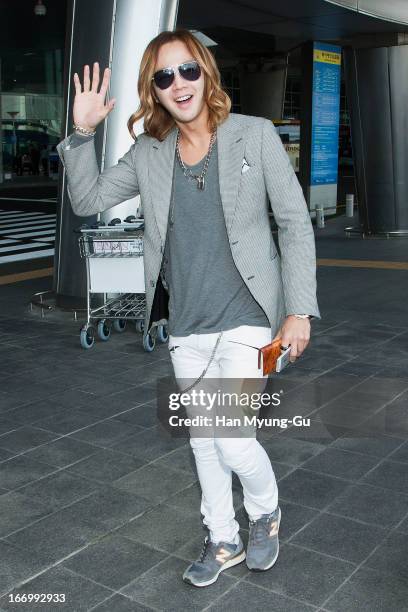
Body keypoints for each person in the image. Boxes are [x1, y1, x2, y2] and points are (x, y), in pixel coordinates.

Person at [56, 29, 320, 588]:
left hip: (248, 318)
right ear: (154, 91)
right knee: (202, 440)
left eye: (187, 70)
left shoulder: (255, 136)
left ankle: (266, 510)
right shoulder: (150, 153)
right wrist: (81, 134)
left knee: (231, 437)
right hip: (186, 325)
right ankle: (222, 536)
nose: (179, 84)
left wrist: (299, 310)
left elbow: (295, 224)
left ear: (206, 72)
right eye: (163, 77)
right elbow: (89, 201)